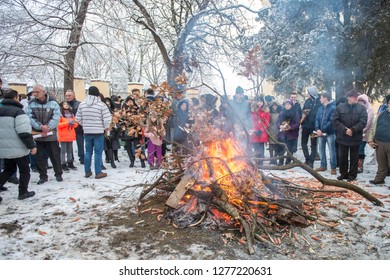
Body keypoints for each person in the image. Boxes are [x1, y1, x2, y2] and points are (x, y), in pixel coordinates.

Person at [0, 89, 37, 200]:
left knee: (9, 169)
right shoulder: (18, 112)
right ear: (16, 98)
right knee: (24, 169)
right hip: (18, 147)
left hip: (3, 146)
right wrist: (31, 145)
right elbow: (24, 132)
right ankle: (23, 192)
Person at [27, 84, 63, 184]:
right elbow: (30, 117)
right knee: (39, 157)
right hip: (38, 134)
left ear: (43, 92)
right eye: (34, 92)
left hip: (51, 134)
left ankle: (58, 174)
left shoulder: (53, 103)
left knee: (55, 155)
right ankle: (43, 176)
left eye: (37, 92)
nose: (35, 94)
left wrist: (48, 127)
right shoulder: (31, 103)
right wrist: (40, 127)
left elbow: (56, 117)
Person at [76, 86, 112, 179]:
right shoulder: (101, 105)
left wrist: (85, 125)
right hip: (98, 132)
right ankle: (98, 172)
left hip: (87, 132)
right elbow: (107, 118)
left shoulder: (82, 105)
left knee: (88, 152)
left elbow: (78, 118)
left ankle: (87, 171)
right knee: (98, 152)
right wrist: (105, 127)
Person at [333, 89, 367, 182]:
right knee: (342, 157)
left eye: (356, 97)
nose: (355, 98)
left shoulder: (361, 108)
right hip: (342, 137)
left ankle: (352, 175)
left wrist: (352, 130)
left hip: (355, 137)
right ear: (348, 97)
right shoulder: (340, 107)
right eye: (353, 97)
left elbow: (363, 121)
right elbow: (335, 120)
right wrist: (345, 130)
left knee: (354, 158)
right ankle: (343, 173)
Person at [367, 94, 390, 185]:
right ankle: (379, 179)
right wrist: (370, 140)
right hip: (380, 143)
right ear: (387, 104)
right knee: (381, 164)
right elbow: (373, 127)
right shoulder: (381, 115)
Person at [314, 92, 337, 175]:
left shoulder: (333, 108)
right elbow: (316, 119)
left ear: (326, 98)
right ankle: (323, 165)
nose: (320, 99)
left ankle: (333, 167)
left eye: (321, 97)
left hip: (330, 133)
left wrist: (322, 130)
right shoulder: (320, 108)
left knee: (332, 151)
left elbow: (331, 121)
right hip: (320, 133)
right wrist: (317, 129)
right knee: (321, 150)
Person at [301, 86, 321, 168]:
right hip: (305, 126)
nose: (307, 94)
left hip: (314, 127)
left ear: (312, 93)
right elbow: (304, 112)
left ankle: (311, 161)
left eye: (308, 93)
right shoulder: (307, 101)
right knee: (303, 144)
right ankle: (307, 159)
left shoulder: (319, 102)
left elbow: (320, 114)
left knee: (313, 145)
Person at [276, 99, 300, 165]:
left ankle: (288, 162)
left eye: (288, 105)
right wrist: (280, 126)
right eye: (286, 105)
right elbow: (278, 122)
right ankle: (281, 161)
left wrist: (291, 127)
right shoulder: (282, 112)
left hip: (291, 134)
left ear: (291, 105)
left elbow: (297, 123)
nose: (287, 106)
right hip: (282, 133)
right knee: (281, 148)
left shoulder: (295, 112)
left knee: (290, 149)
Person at [57, 101, 78, 172]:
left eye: (67, 104)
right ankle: (63, 163)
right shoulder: (60, 114)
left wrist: (73, 124)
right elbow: (59, 125)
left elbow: (76, 123)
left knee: (70, 150)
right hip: (63, 134)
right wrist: (67, 123)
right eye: (64, 104)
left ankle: (70, 162)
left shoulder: (71, 114)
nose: (66, 105)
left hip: (70, 134)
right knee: (63, 150)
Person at [65, 89, 84, 165]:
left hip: (78, 128)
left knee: (80, 144)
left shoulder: (79, 104)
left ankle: (82, 158)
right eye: (66, 96)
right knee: (69, 146)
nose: (68, 97)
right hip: (68, 128)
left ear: (74, 96)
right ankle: (70, 159)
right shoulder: (64, 105)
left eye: (69, 95)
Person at [249, 96, 270, 166]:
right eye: (258, 102)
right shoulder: (253, 111)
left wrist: (261, 130)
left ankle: (261, 161)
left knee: (261, 147)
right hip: (255, 131)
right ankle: (256, 160)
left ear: (263, 102)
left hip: (262, 132)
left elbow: (266, 122)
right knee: (255, 146)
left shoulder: (266, 111)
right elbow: (252, 121)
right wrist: (254, 130)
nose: (259, 103)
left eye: (261, 102)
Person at [357, 94, 374, 173]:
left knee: (360, 149)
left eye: (362, 101)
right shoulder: (356, 108)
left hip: (364, 134)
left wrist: (360, 130)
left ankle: (360, 165)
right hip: (356, 133)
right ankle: (355, 165)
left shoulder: (369, 110)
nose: (360, 103)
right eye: (359, 101)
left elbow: (368, 123)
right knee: (356, 149)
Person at [268, 100, 282, 165]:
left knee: (276, 144)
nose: (274, 107)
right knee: (271, 145)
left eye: (276, 105)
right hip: (271, 130)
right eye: (273, 105)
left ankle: (275, 158)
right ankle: (271, 159)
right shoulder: (269, 113)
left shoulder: (280, 113)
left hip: (278, 130)